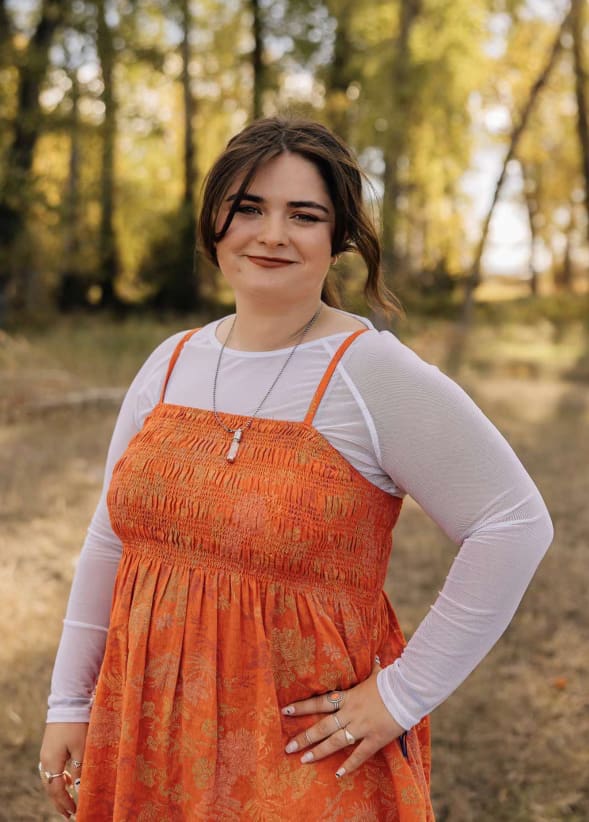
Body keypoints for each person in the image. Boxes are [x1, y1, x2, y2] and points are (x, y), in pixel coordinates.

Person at [39, 117, 553, 821]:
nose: (272, 234)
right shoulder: (170, 362)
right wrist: (70, 701)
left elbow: (513, 524)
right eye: (249, 208)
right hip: (149, 732)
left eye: (303, 215)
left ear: (338, 238)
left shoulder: (371, 373)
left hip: (296, 756)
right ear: (214, 222)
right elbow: (109, 541)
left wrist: (402, 694)